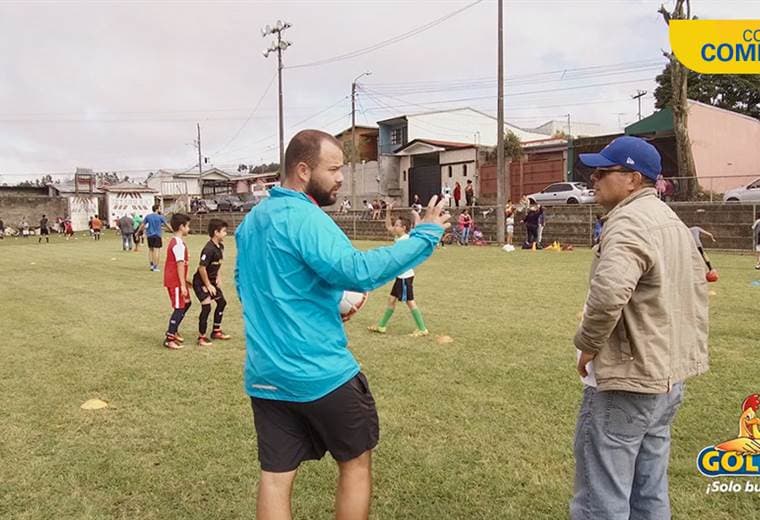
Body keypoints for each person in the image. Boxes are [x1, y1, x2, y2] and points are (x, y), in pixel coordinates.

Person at [235, 129, 448, 520]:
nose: (340, 178)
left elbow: (253, 286)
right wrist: (425, 235)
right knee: (355, 463)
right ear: (303, 170)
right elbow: (357, 271)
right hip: (321, 374)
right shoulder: (304, 216)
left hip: (266, 378)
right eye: (333, 169)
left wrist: (327, 304)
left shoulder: (251, 223)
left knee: (275, 478)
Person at [572, 136, 709, 520]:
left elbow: (609, 293)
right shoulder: (671, 220)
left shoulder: (629, 223)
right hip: (667, 378)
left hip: (629, 381)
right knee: (649, 491)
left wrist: (588, 343)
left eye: (603, 171)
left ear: (633, 179)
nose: (593, 179)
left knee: (602, 497)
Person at [368, 202, 431, 337]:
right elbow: (388, 226)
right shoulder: (399, 238)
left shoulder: (407, 240)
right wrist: (388, 212)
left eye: (397, 225)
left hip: (404, 277)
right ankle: (382, 326)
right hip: (400, 276)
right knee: (391, 300)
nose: (394, 227)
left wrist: (416, 216)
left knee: (410, 302)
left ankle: (422, 328)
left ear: (403, 228)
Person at [192, 218, 230, 347]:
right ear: (216, 232)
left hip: (212, 281)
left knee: (221, 302)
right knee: (207, 306)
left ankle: (216, 331)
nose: (226, 233)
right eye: (224, 231)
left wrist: (218, 278)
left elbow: (218, 264)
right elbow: (201, 268)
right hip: (200, 282)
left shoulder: (221, 247)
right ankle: (201, 337)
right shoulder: (208, 249)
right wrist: (207, 285)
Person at [162, 213, 192, 350]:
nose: (189, 229)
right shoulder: (177, 244)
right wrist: (182, 285)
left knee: (187, 303)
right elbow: (179, 265)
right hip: (175, 282)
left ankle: (175, 329)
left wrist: (186, 281)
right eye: (188, 226)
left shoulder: (178, 242)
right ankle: (170, 338)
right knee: (180, 307)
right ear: (181, 227)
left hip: (177, 280)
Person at [139, 206, 168, 272]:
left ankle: (151, 265)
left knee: (150, 250)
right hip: (157, 235)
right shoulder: (160, 217)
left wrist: (138, 232)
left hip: (150, 235)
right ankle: (155, 266)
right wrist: (173, 230)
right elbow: (166, 224)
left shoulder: (148, 216)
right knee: (156, 251)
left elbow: (142, 225)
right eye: (160, 208)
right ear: (157, 209)